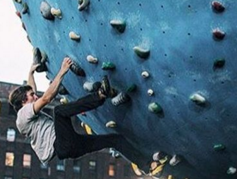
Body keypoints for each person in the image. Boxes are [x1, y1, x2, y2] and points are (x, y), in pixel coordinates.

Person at [8, 57, 150, 170]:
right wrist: (63, 71)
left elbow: (30, 89)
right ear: (22, 101)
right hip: (61, 145)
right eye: (32, 95)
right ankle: (100, 95)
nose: (35, 96)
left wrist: (30, 73)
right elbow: (46, 98)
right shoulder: (22, 115)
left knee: (114, 140)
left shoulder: (27, 112)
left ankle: (147, 165)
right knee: (59, 111)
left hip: (71, 146)